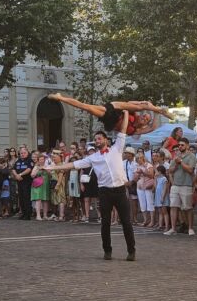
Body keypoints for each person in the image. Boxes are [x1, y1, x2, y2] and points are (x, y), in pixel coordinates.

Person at [45, 111, 136, 261]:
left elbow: (123, 130)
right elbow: (73, 164)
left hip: (120, 190)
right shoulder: (92, 157)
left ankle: (131, 251)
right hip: (105, 192)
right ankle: (107, 251)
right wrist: (52, 167)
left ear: (106, 140)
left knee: (126, 222)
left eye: (99, 138)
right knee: (105, 223)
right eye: (95, 139)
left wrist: (126, 113)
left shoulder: (117, 148)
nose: (97, 141)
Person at [48, 93, 172, 136]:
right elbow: (130, 104)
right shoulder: (135, 113)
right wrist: (151, 107)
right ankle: (60, 98)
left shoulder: (135, 130)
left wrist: (156, 113)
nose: (144, 117)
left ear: (145, 124)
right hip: (115, 109)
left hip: (110, 120)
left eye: (146, 119)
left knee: (84, 107)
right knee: (141, 105)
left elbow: (153, 128)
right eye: (145, 115)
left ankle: (60, 98)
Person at [164, 138, 196, 237]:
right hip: (175, 184)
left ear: (187, 145)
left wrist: (181, 162)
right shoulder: (176, 156)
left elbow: (191, 170)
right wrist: (177, 165)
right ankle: (173, 228)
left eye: (182, 145)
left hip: (186, 184)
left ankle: (190, 228)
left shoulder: (191, 156)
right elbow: (170, 170)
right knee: (173, 207)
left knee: (188, 208)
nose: (180, 147)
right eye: (179, 145)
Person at [134, 150, 155, 227]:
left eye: (140, 158)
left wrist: (142, 172)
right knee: (142, 204)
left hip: (147, 186)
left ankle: (152, 221)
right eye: (137, 158)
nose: (139, 159)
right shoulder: (136, 166)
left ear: (143, 158)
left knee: (150, 203)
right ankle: (145, 220)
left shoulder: (148, 165)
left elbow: (151, 175)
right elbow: (135, 179)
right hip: (139, 187)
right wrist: (137, 174)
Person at [11, 148, 34, 221]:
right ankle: (23, 213)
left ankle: (28, 214)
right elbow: (13, 169)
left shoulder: (29, 160)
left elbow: (29, 169)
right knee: (21, 198)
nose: (22, 154)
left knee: (26, 198)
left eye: (24, 153)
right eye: (21, 153)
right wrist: (16, 175)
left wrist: (20, 174)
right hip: (19, 181)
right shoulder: (18, 161)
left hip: (27, 182)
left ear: (27, 153)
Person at [80, 145, 100, 223]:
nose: (91, 152)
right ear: (88, 153)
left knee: (97, 200)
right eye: (90, 151)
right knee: (87, 199)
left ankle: (99, 216)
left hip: (96, 183)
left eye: (92, 151)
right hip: (87, 183)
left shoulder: (98, 160)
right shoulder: (85, 160)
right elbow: (81, 172)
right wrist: (81, 184)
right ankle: (87, 216)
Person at [30, 153, 51, 220]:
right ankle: (38, 215)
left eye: (43, 159)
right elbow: (32, 175)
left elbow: (51, 175)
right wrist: (39, 169)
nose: (42, 161)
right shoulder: (36, 166)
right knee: (38, 199)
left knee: (45, 200)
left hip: (45, 184)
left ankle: (45, 215)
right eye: (40, 159)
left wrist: (46, 170)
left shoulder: (47, 166)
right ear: (38, 160)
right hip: (38, 185)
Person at [123, 147, 138, 225]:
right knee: (127, 202)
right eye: (125, 153)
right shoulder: (124, 162)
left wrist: (132, 182)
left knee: (134, 202)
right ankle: (129, 218)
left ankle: (134, 218)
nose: (126, 154)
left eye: (127, 153)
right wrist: (125, 183)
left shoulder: (136, 163)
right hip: (125, 184)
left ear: (131, 154)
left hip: (134, 184)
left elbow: (137, 174)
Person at [154, 165, 170, 231]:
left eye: (156, 171)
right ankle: (160, 225)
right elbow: (155, 187)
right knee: (160, 212)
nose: (156, 172)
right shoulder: (158, 178)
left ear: (160, 172)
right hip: (158, 196)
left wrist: (162, 197)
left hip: (162, 197)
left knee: (165, 212)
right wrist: (155, 178)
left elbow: (165, 189)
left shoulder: (164, 179)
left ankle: (166, 226)